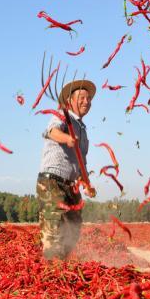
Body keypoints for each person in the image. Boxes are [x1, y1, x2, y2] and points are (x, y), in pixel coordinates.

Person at [36, 79, 97, 260]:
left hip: (71, 185)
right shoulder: (63, 116)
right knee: (54, 226)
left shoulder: (82, 129)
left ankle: (61, 265)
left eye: (88, 99)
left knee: (73, 225)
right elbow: (50, 131)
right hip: (52, 181)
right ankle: (52, 270)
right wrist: (66, 138)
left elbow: (81, 161)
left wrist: (86, 183)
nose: (86, 101)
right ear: (70, 101)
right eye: (81, 97)